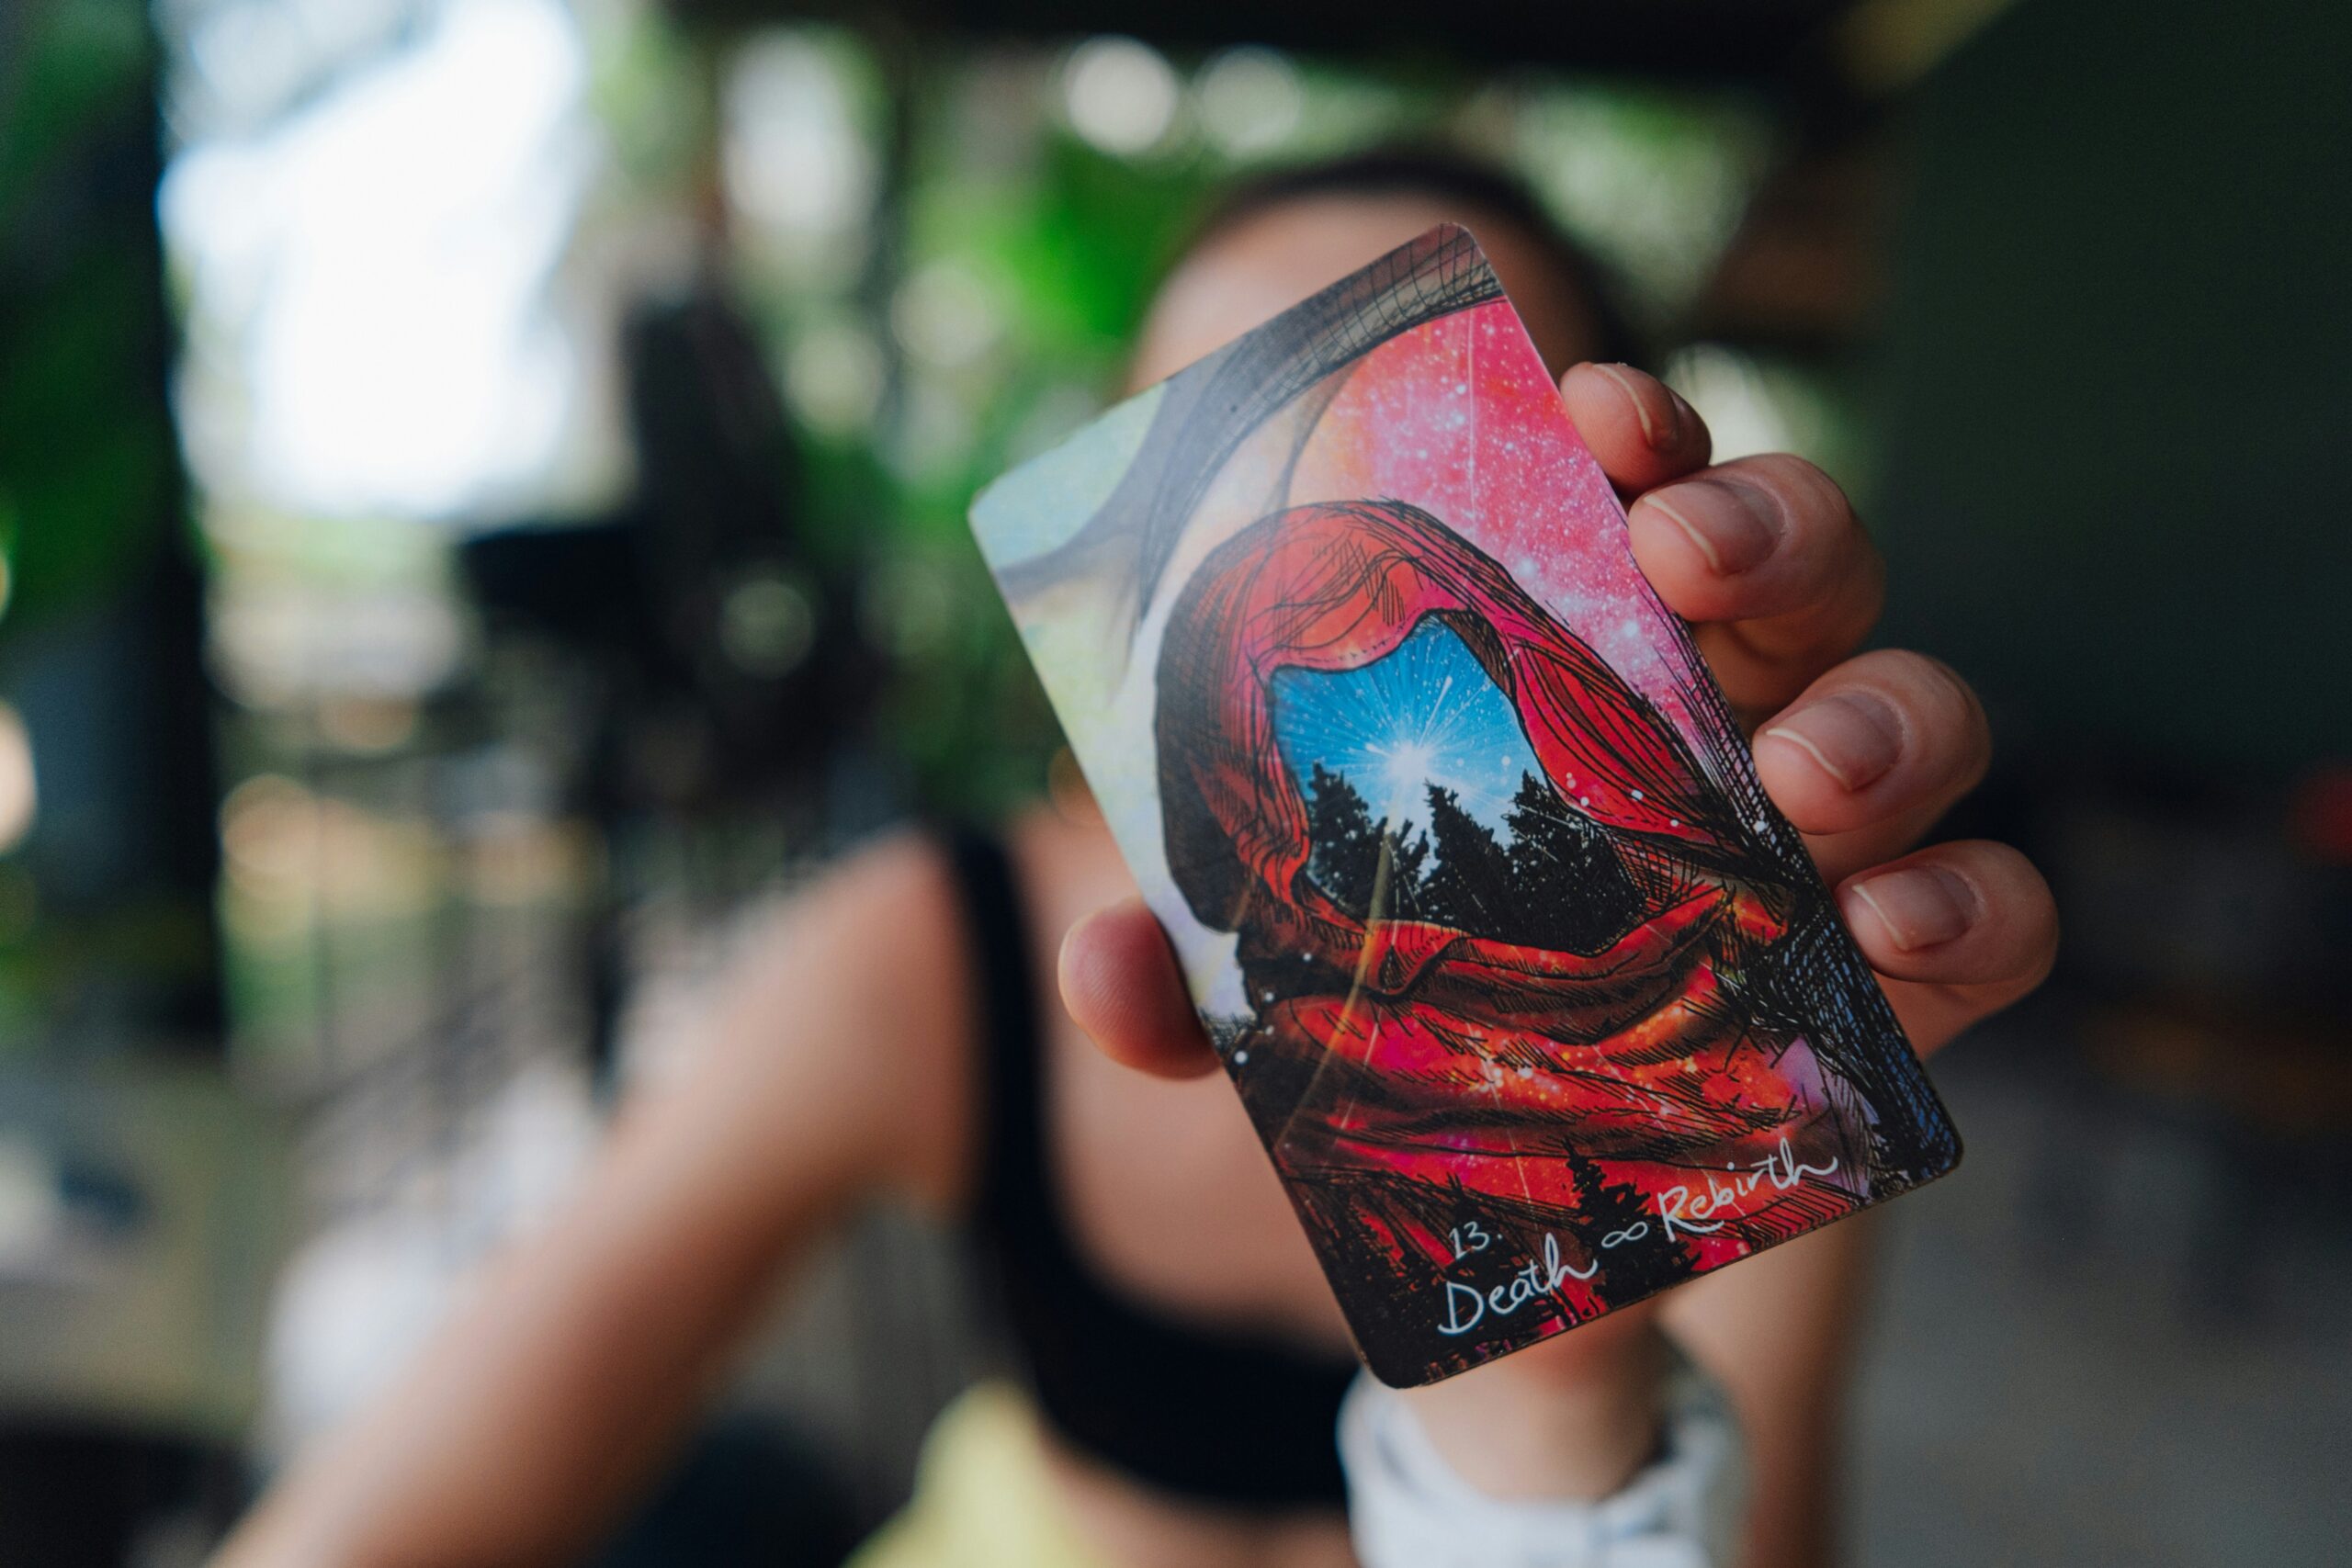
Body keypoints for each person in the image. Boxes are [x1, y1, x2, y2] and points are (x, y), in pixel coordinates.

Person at [214, 151, 2058, 1568]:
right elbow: (393, 1505)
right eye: (1221, 444)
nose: (1320, 551)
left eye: (1435, 431)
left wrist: (1575, 1371)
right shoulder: (932, 946)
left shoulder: (1721, 1023)